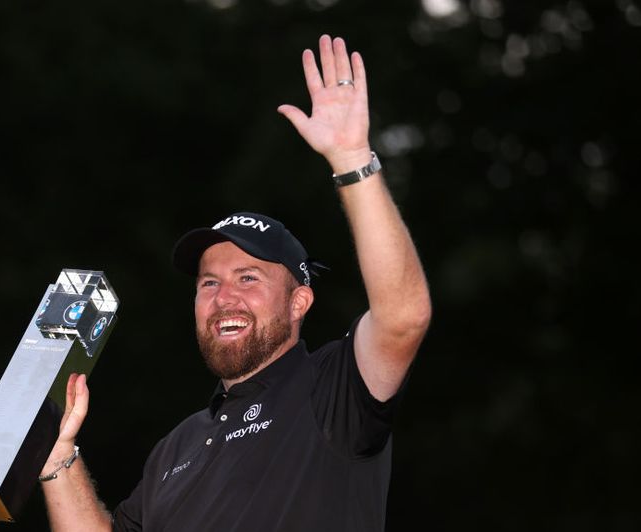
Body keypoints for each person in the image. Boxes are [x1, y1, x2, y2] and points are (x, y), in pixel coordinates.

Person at [38, 34, 431, 531]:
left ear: (299, 302)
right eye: (208, 284)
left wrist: (352, 159)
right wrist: (57, 460)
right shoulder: (175, 450)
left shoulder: (333, 392)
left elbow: (403, 316)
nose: (224, 297)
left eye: (248, 278)